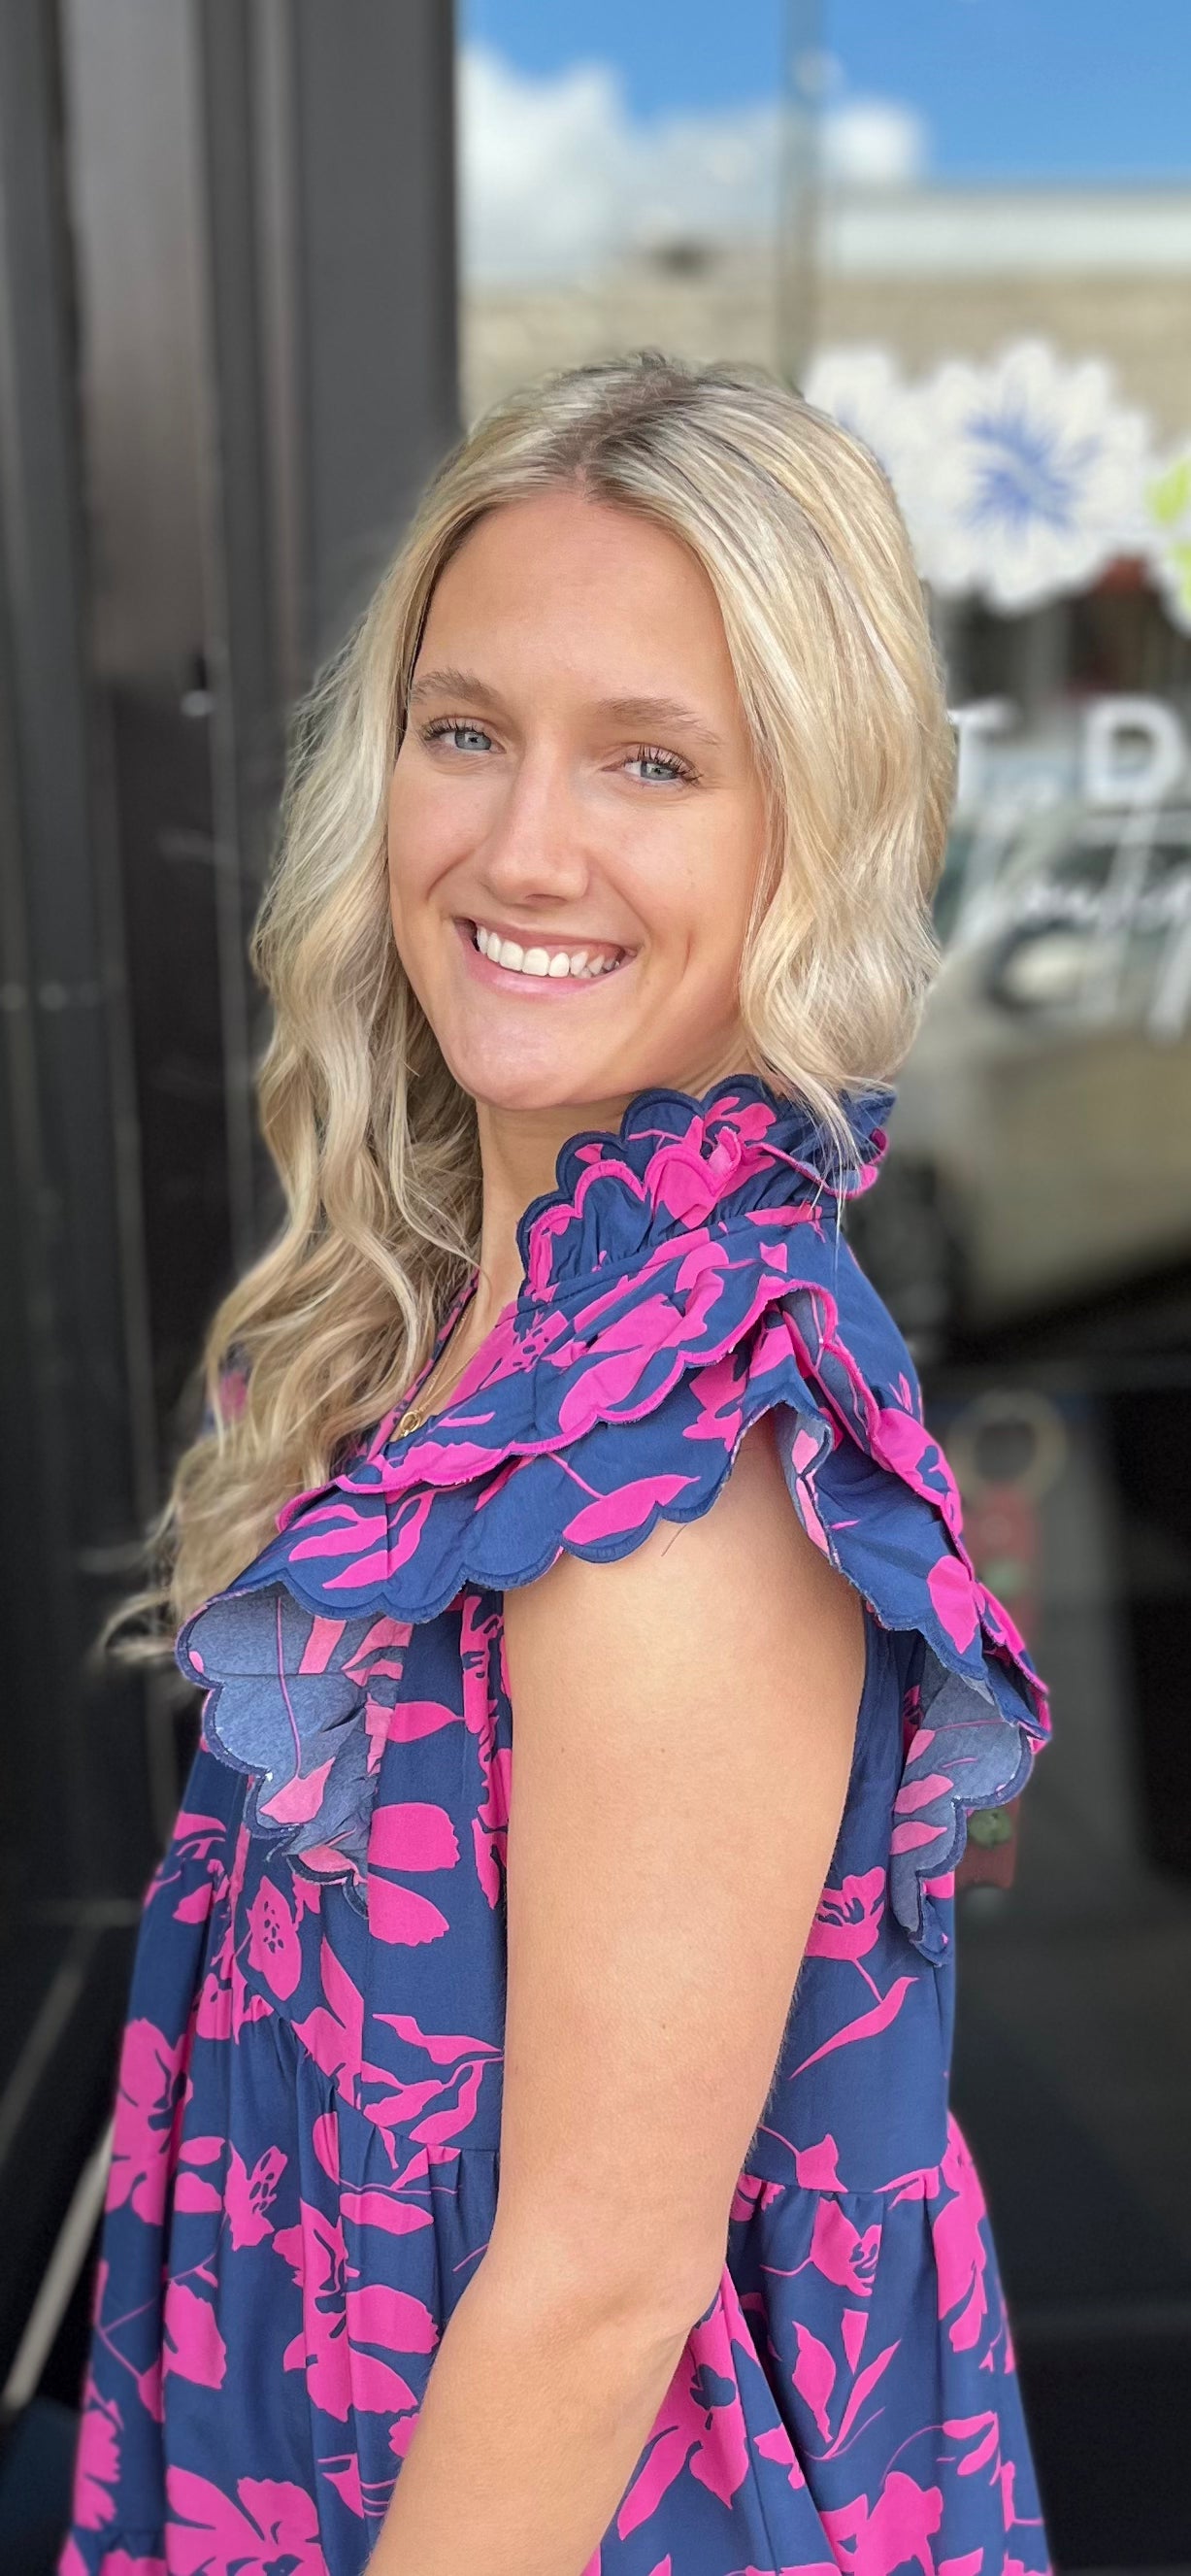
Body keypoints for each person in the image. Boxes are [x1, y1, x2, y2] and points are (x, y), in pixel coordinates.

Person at [60, 351, 1052, 2576]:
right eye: (464, 731)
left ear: (807, 828)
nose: (520, 849)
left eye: (649, 761)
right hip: (325, 2416)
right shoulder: (475, 1302)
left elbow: (599, 2299)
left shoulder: (681, 1451)